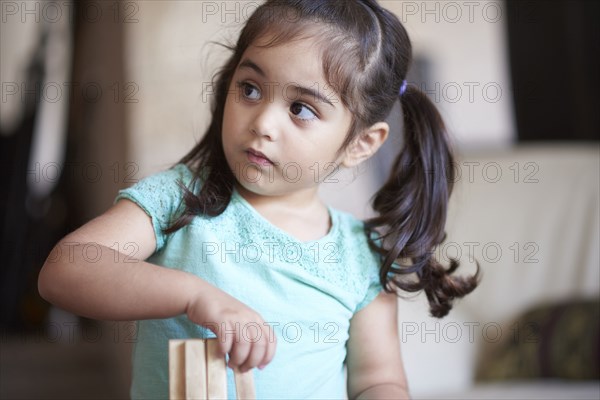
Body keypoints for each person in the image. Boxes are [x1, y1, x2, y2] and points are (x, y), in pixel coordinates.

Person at [38, 1, 479, 398]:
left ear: (360, 144)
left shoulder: (361, 258)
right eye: (250, 88)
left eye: (301, 108)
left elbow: (377, 380)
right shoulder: (179, 198)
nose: (263, 121)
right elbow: (66, 271)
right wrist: (195, 296)